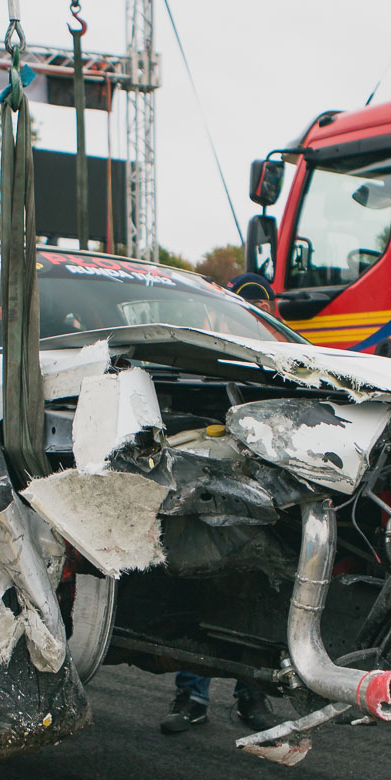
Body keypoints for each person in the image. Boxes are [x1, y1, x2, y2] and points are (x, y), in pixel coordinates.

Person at [161, 272, 284, 736]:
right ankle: (191, 696)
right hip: (210, 495)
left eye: (262, 305)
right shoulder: (203, 355)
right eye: (244, 304)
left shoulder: (290, 358)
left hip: (265, 502)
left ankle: (251, 697)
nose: (255, 312)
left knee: (254, 599)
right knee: (201, 592)